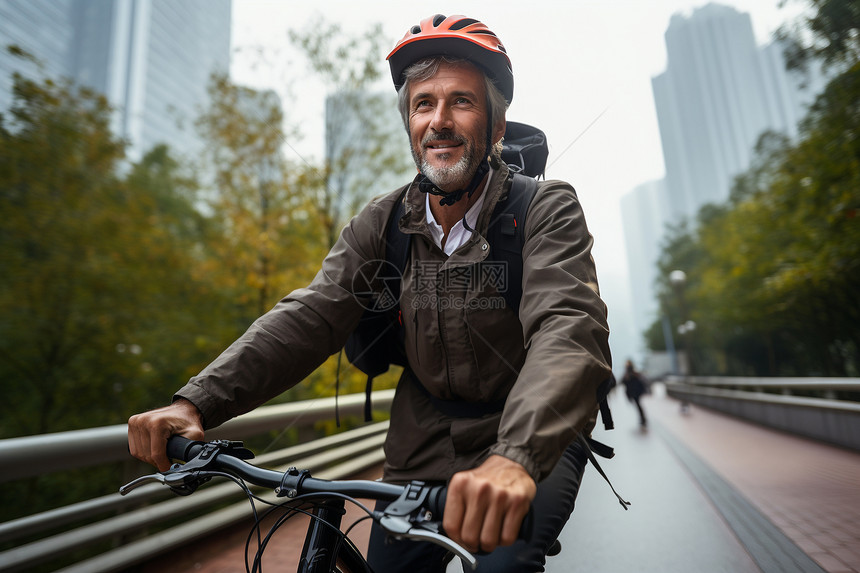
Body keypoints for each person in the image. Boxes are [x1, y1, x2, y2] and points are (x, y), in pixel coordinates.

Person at [128, 13, 612, 572]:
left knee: (503, 565)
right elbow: (310, 316)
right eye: (423, 104)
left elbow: (568, 328)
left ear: (496, 125)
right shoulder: (381, 222)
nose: (439, 120)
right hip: (421, 442)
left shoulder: (544, 208)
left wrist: (515, 459)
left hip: (531, 433)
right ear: (409, 123)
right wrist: (195, 403)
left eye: (462, 101)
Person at [621, 359, 648, 427]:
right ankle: (643, 419)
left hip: (634, 392)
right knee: (638, 405)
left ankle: (643, 419)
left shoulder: (630, 374)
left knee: (638, 405)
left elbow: (623, 381)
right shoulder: (634, 373)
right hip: (636, 391)